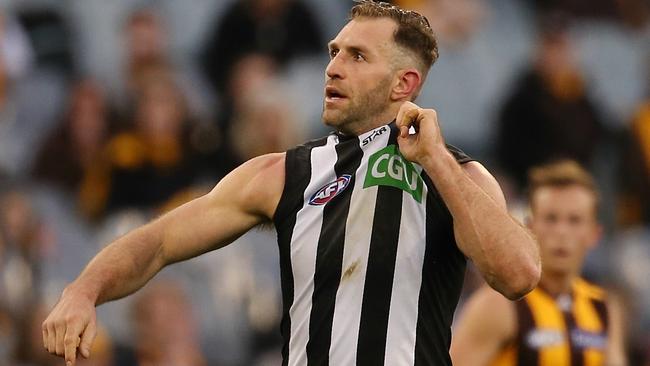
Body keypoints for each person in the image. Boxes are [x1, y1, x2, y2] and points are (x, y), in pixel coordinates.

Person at [42, 1, 540, 365]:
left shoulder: (461, 177)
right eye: (334, 51)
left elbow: (518, 274)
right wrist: (84, 290)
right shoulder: (283, 173)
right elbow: (158, 242)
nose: (333, 67)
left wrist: (435, 159)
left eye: (357, 57)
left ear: (404, 84)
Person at [450, 160, 627, 366]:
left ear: (594, 234)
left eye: (574, 220)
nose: (561, 232)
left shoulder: (603, 308)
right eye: (551, 219)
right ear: (529, 227)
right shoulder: (497, 306)